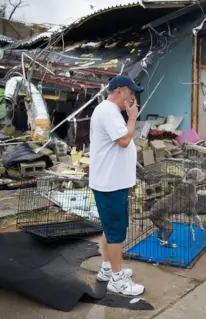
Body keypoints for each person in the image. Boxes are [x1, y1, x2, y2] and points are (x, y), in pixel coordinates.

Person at [89, 74, 145, 296]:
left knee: (110, 227)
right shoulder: (108, 111)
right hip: (109, 183)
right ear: (120, 90)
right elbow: (123, 141)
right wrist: (132, 118)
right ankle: (117, 278)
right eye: (131, 93)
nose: (132, 99)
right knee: (116, 231)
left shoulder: (109, 111)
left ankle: (106, 268)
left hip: (112, 181)